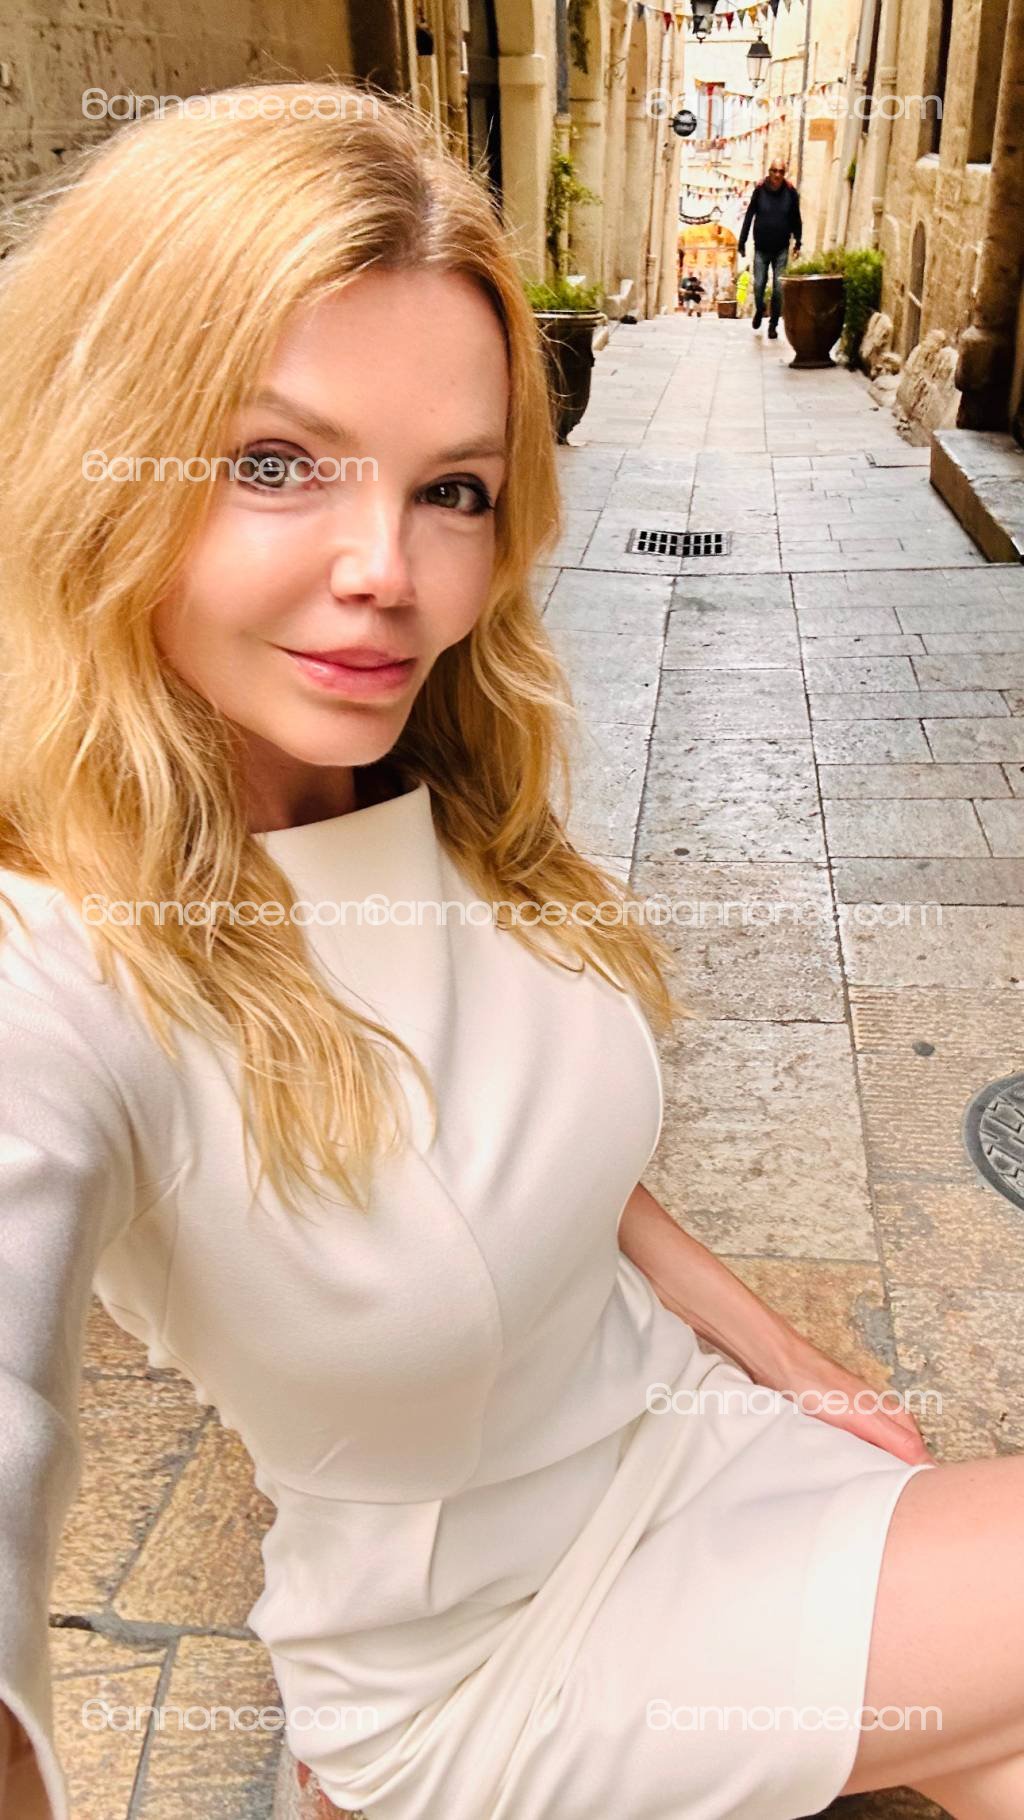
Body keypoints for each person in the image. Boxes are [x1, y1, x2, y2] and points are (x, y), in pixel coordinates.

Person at [0, 78, 1021, 1820]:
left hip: (685, 1454)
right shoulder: (63, 957)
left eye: (453, 489)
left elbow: (525, 1147)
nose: (385, 573)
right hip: (485, 1652)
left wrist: (775, 1359)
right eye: (272, 463)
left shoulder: (422, 780)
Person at [737, 157, 803, 339]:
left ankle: (773, 324)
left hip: (781, 248)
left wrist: (798, 241)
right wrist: (742, 241)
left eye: (781, 172)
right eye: (774, 171)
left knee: (779, 289)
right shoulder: (759, 190)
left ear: (784, 173)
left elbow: (796, 218)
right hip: (761, 248)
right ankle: (760, 309)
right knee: (758, 285)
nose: (777, 175)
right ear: (769, 172)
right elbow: (749, 215)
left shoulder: (790, 192)